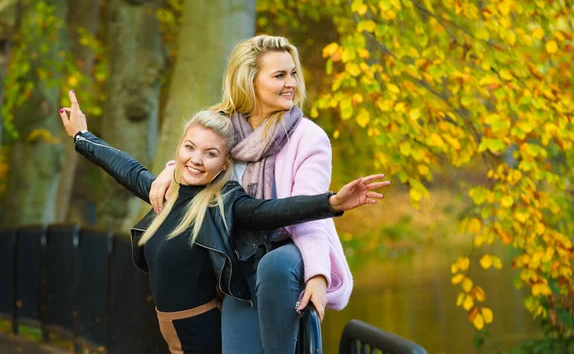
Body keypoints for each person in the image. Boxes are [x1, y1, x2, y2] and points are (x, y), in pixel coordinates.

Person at [59, 90, 390, 354]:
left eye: (210, 153)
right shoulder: (167, 194)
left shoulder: (223, 202)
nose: (196, 159)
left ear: (222, 164)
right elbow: (128, 169)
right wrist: (82, 136)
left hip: (203, 336)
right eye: (190, 147)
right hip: (173, 334)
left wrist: (331, 202)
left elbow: (273, 211)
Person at [149, 35, 354, 353]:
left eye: (293, 73)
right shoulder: (225, 125)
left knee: (275, 266)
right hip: (241, 259)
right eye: (279, 75)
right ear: (250, 81)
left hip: (289, 245)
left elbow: (306, 214)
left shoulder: (308, 137)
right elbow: (198, 155)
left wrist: (317, 275)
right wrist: (171, 169)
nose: (291, 83)